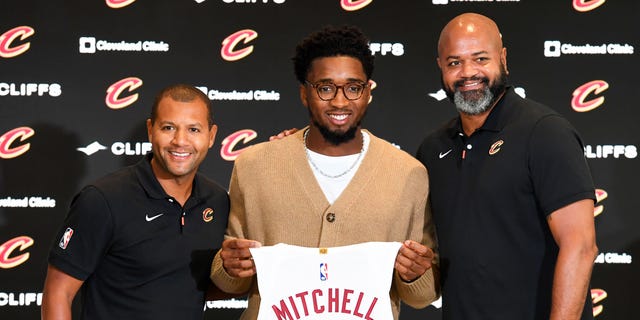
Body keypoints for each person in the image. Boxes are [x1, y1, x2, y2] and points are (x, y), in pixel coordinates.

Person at [210, 25, 438, 319]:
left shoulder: (409, 173)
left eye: (353, 87)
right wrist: (230, 266)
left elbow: (423, 294)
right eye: (325, 88)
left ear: (368, 92)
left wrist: (415, 275)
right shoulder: (255, 165)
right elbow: (230, 277)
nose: (340, 102)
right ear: (305, 93)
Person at [415, 13, 598, 320]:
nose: (468, 72)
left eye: (480, 58)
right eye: (454, 62)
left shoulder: (545, 132)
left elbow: (580, 247)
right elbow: (434, 261)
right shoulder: (433, 149)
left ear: (503, 58)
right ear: (440, 67)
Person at [41, 84, 231, 320]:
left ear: (211, 136)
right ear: (151, 130)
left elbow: (193, 288)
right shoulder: (103, 199)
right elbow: (58, 292)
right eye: (168, 127)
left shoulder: (218, 201)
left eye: (193, 129)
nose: (180, 141)